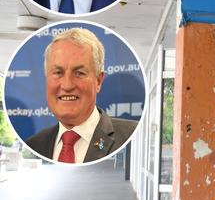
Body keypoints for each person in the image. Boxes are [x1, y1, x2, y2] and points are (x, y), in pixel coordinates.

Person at [26, 28, 137, 163]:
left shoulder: (134, 136)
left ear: (98, 81)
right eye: (58, 72)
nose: (67, 85)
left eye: (79, 73)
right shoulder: (34, 144)